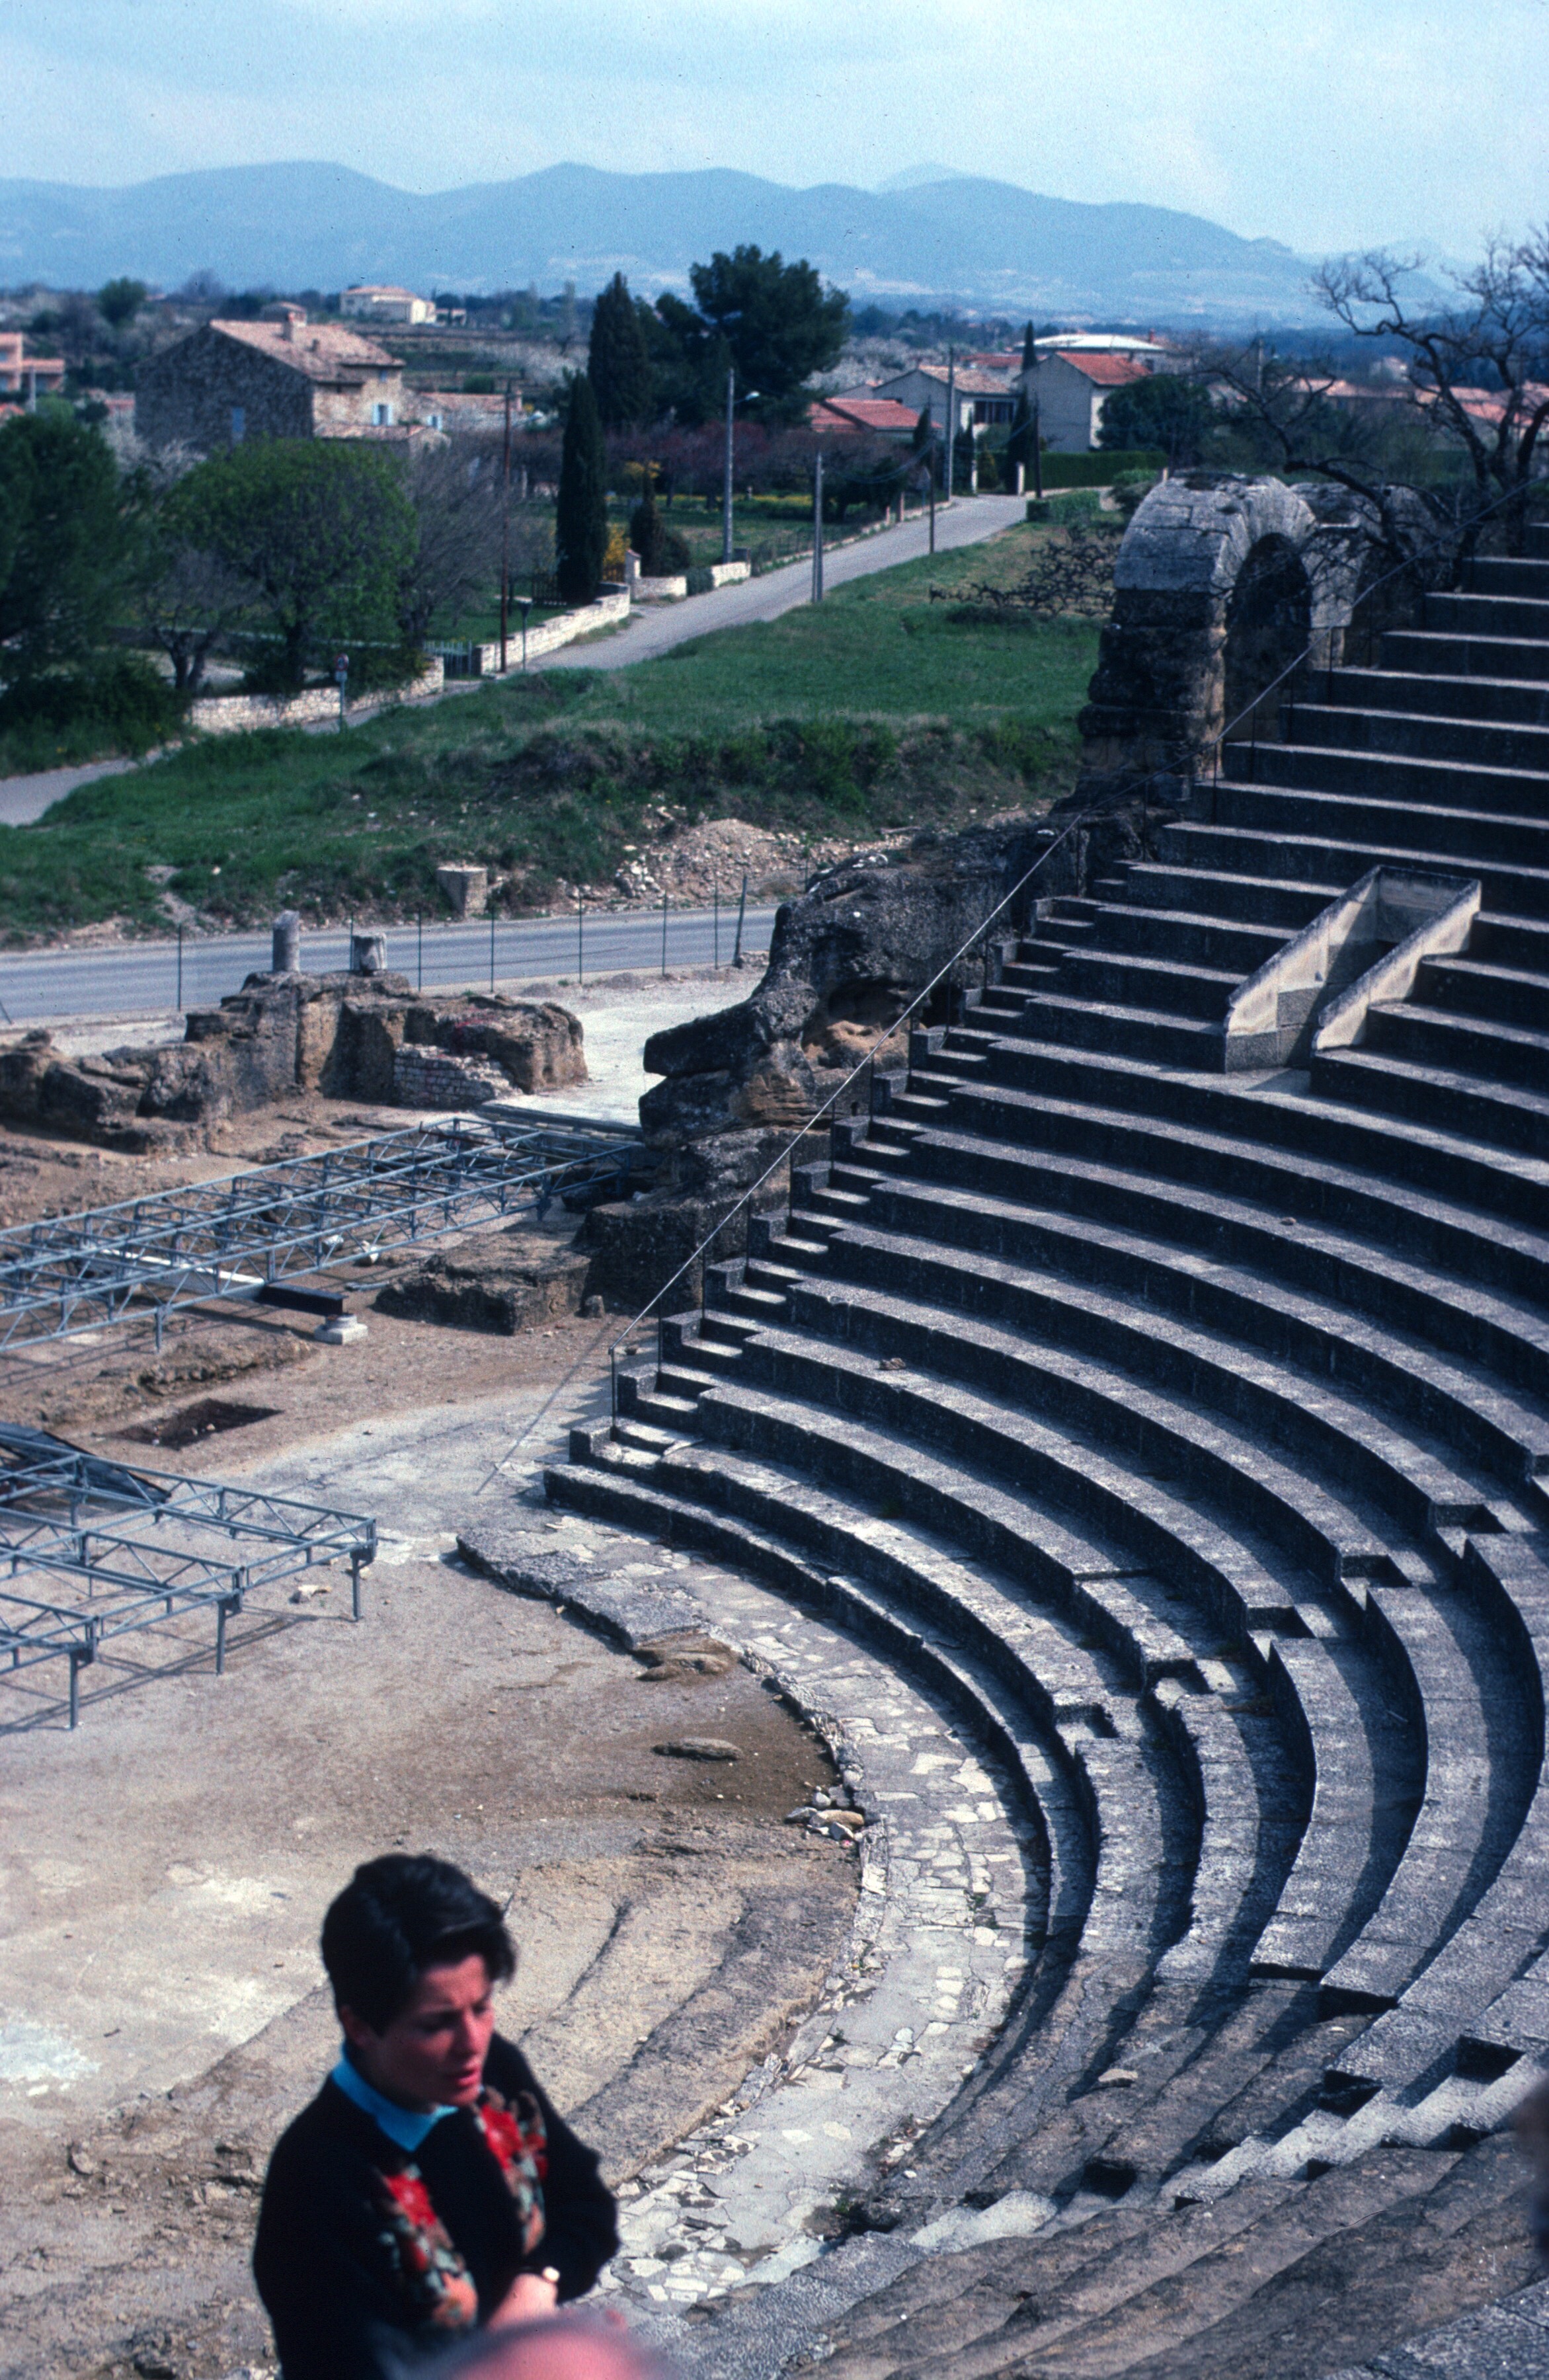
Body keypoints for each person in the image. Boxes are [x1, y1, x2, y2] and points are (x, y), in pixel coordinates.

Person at [254, 1854, 619, 2380]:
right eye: (436, 2024)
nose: (472, 2043)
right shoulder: (317, 2182)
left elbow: (583, 2203)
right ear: (359, 2026)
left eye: (482, 2007)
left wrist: (540, 2282)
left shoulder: (493, 2077)